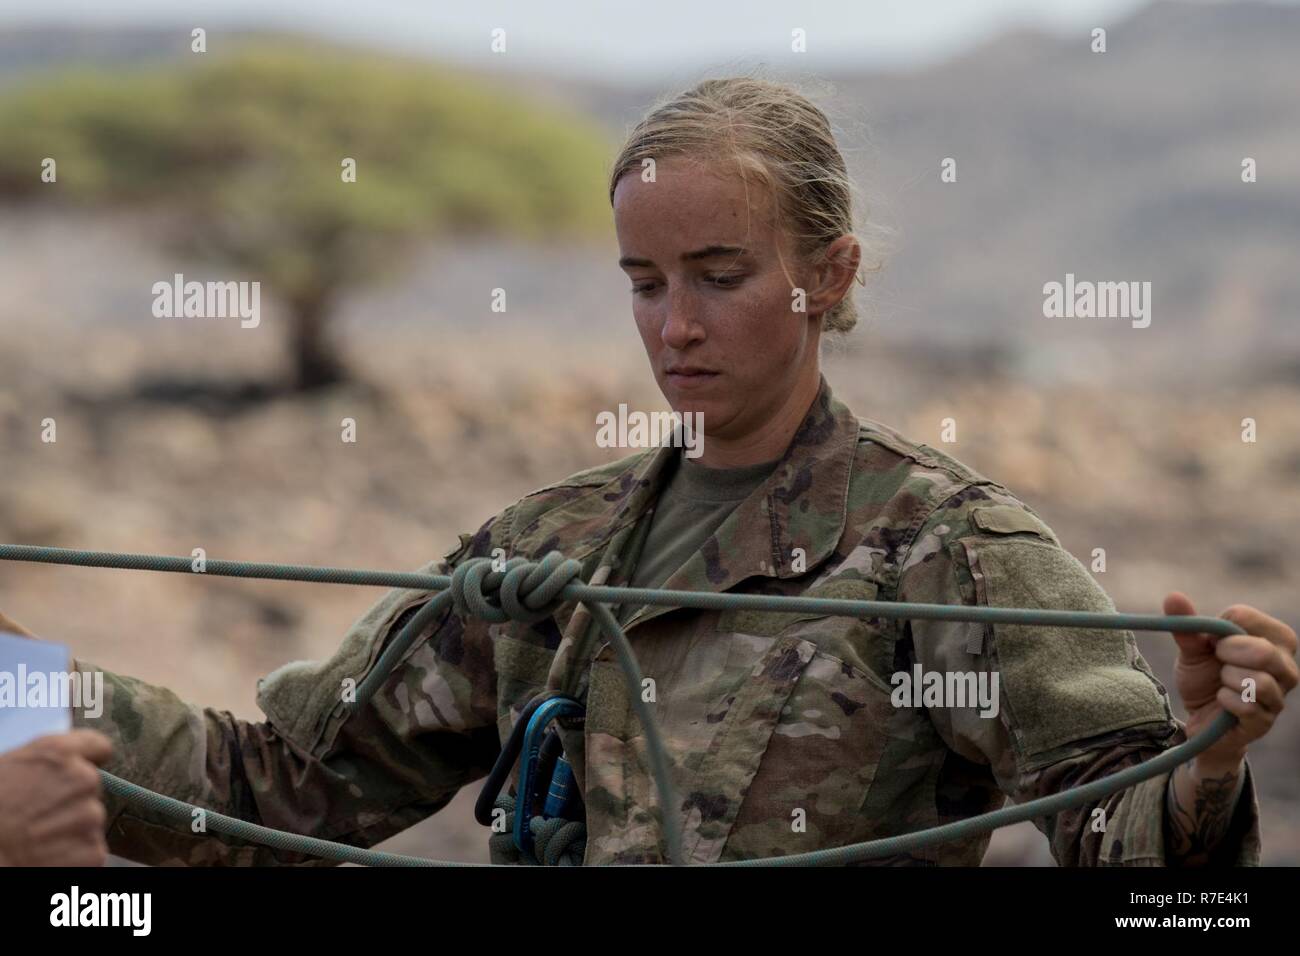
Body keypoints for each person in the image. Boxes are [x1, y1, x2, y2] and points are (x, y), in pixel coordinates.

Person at [14, 76, 1298, 866]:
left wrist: (1204, 762)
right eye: (643, 282)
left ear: (828, 275)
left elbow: (1134, 867)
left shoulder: (945, 546)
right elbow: (276, 792)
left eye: (719, 276)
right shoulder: (546, 548)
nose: (674, 324)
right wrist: (18, 683)